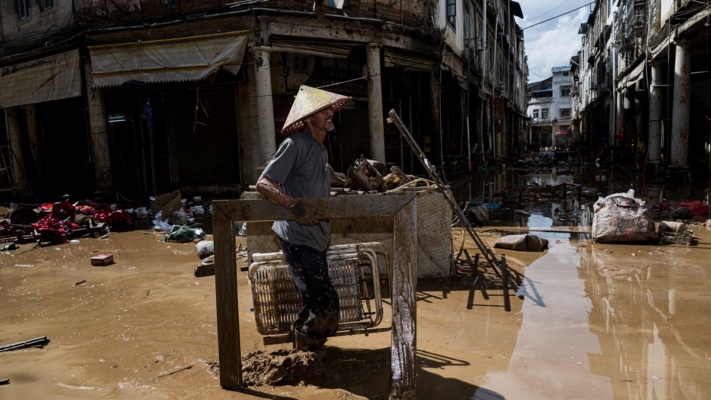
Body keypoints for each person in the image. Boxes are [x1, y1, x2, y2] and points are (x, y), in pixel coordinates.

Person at [255, 85, 351, 351]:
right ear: (309, 118)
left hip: (316, 235)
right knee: (324, 301)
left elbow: (313, 175)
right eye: (324, 110)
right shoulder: (294, 143)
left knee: (316, 299)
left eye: (331, 108)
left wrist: (340, 179)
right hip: (297, 234)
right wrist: (296, 207)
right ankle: (307, 355)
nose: (331, 112)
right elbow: (264, 183)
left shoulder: (320, 149)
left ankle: (304, 352)